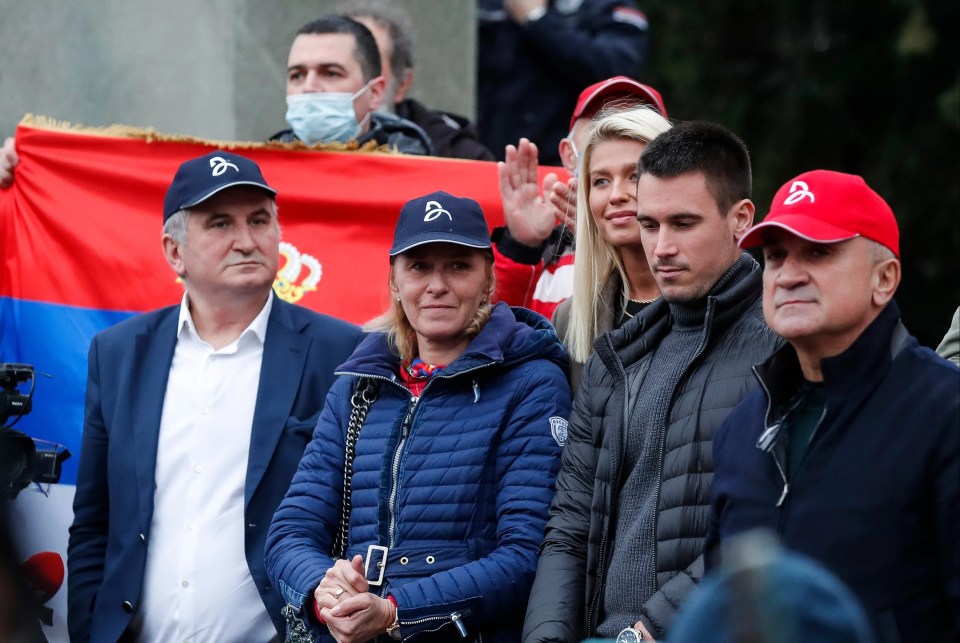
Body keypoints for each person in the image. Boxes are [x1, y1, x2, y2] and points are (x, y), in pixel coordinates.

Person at [66, 150, 363, 642]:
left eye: (259, 220)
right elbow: (95, 524)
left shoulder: (341, 351)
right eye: (220, 223)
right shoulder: (118, 354)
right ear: (174, 251)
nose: (246, 240)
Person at [265, 191, 571, 643]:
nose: (437, 285)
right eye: (419, 266)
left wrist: (394, 611)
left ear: (489, 280)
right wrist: (324, 589)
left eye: (458, 266)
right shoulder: (357, 384)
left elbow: (526, 555)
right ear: (394, 281)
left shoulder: (532, 382)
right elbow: (290, 530)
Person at [522, 121, 781, 642]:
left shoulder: (785, 346)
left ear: (741, 219)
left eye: (683, 224)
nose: (660, 247)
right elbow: (569, 528)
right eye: (649, 224)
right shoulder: (614, 355)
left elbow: (775, 519)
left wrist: (647, 630)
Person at [708, 170, 960, 643]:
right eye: (776, 256)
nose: (788, 274)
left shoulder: (945, 412)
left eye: (819, 252)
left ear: (884, 280)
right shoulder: (740, 429)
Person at [494, 76, 668, 321]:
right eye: (601, 122)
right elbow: (493, 338)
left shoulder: (700, 249)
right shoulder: (542, 253)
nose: (617, 195)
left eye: (635, 175)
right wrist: (521, 249)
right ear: (569, 155)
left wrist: (601, 240)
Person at [551, 106, 671, 390]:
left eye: (635, 175)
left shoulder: (718, 305)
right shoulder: (569, 320)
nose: (616, 195)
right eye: (601, 181)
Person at [478, 0, 650, 165]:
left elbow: (617, 72)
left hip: (567, 164)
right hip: (488, 158)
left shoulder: (603, 6)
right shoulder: (486, 7)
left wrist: (538, 20)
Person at [341, 0, 495, 161]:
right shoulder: (311, 146)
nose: (314, 86)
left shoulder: (457, 156)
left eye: (369, 65)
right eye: (332, 71)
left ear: (402, 84)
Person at [271, 15, 434, 155]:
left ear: (375, 93)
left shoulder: (415, 175)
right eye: (297, 75)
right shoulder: (265, 173)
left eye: (331, 73)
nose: (308, 87)